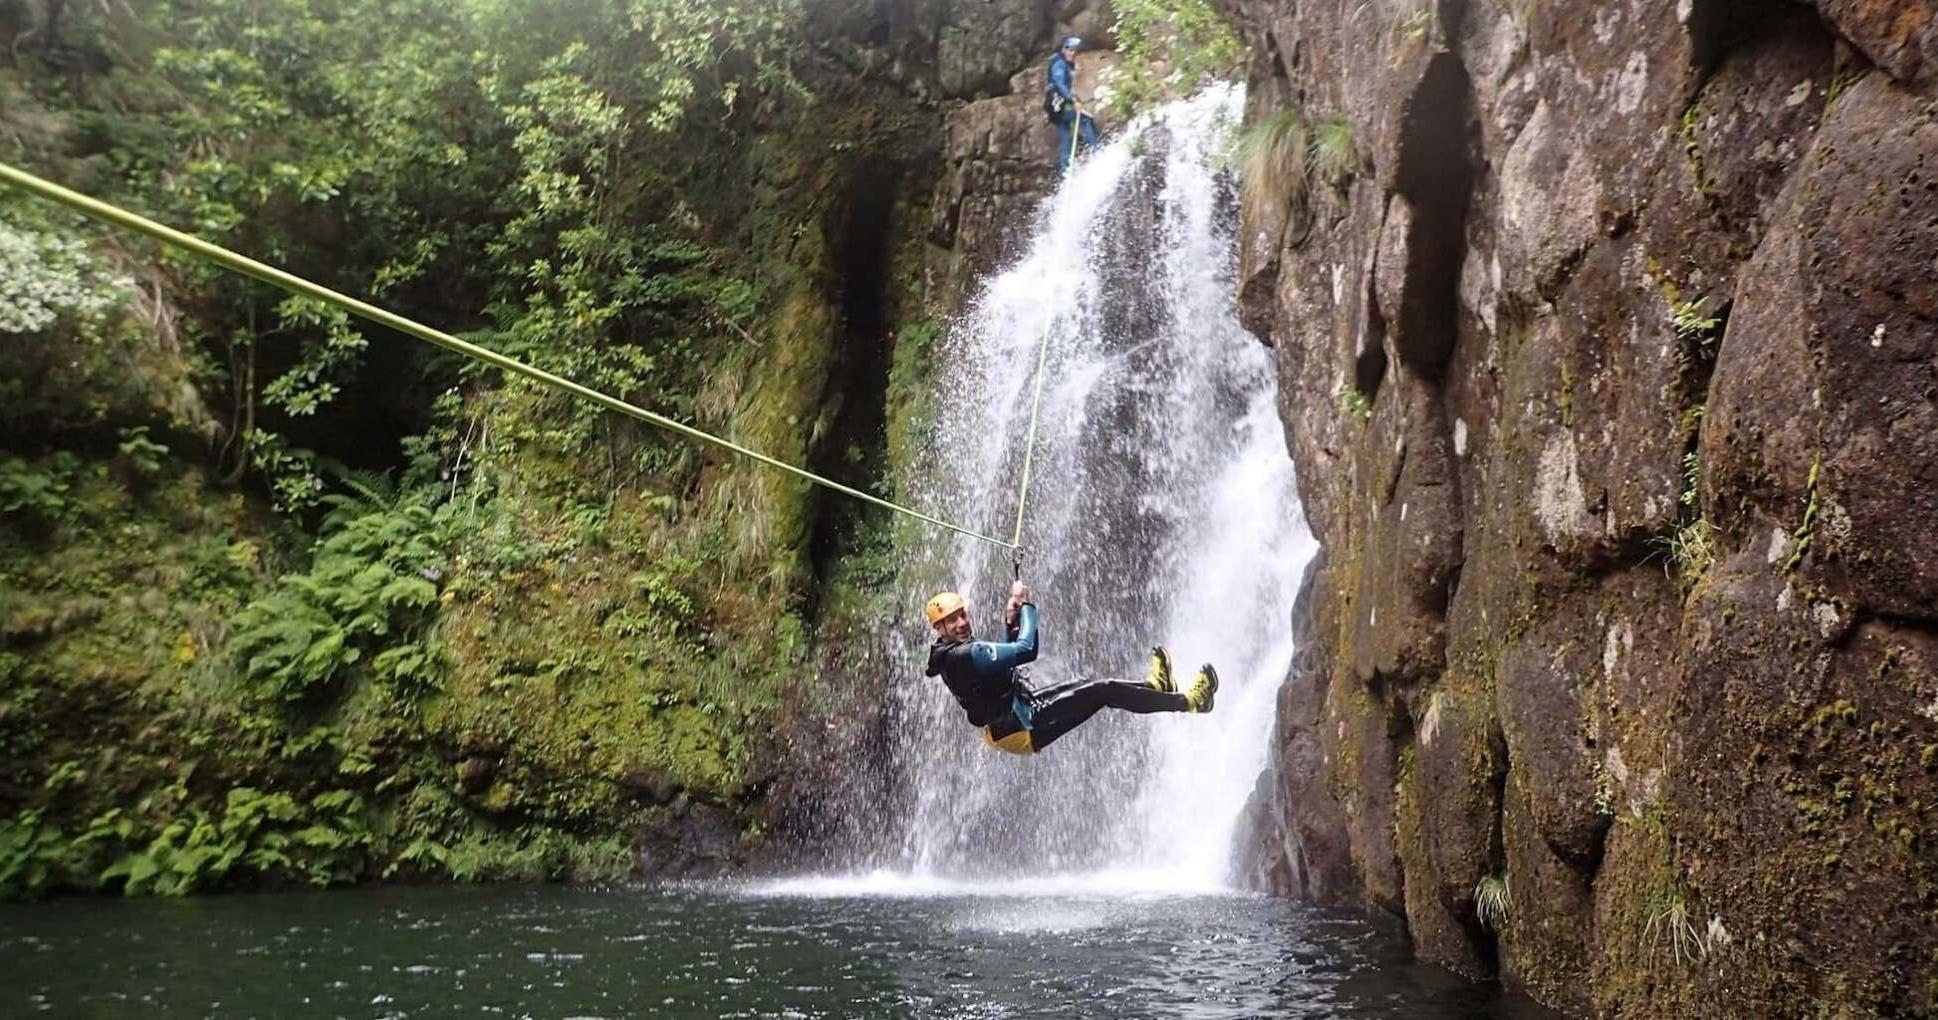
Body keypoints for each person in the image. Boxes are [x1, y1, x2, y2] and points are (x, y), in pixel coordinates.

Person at [923, 581, 1218, 756]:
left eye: (962, 615)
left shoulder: (954, 653)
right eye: (952, 621)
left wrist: (1012, 621)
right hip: (1020, 729)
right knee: (1103, 691)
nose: (962, 623)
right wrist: (1026, 606)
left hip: (1016, 712)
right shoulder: (963, 654)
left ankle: (1155, 689)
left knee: (1095, 687)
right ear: (939, 628)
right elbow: (1027, 651)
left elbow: (1009, 664)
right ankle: (1191, 702)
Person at [1044, 35, 1099, 174]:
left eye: (1074, 50)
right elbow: (1060, 84)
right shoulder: (1059, 64)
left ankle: (1065, 169)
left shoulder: (1063, 63)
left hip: (1055, 108)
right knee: (1086, 119)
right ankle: (1095, 153)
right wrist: (1073, 100)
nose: (1072, 53)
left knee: (1066, 137)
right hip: (1060, 105)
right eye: (1069, 49)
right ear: (1063, 49)